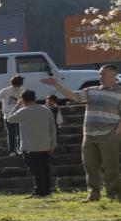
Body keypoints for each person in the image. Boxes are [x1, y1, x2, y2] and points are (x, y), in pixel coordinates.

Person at [43, 63, 121, 202]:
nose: (100, 77)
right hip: (89, 135)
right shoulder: (91, 90)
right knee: (90, 166)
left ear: (113, 75)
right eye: (100, 74)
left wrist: (117, 131)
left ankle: (113, 194)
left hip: (109, 135)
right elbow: (73, 95)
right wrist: (56, 85)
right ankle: (93, 194)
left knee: (110, 167)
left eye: (103, 74)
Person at [7, 89, 57, 198]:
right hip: (45, 145)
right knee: (45, 168)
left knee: (36, 170)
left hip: (29, 146)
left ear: (23, 100)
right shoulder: (47, 110)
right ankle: (46, 190)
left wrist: (17, 106)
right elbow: (53, 129)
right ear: (35, 98)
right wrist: (53, 144)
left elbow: (10, 119)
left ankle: (39, 191)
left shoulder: (23, 111)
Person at [0, 74, 25, 154]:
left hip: (8, 115)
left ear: (11, 82)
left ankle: (12, 151)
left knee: (11, 134)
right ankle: (20, 150)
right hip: (20, 115)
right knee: (21, 134)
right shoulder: (23, 90)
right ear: (21, 83)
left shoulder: (5, 90)